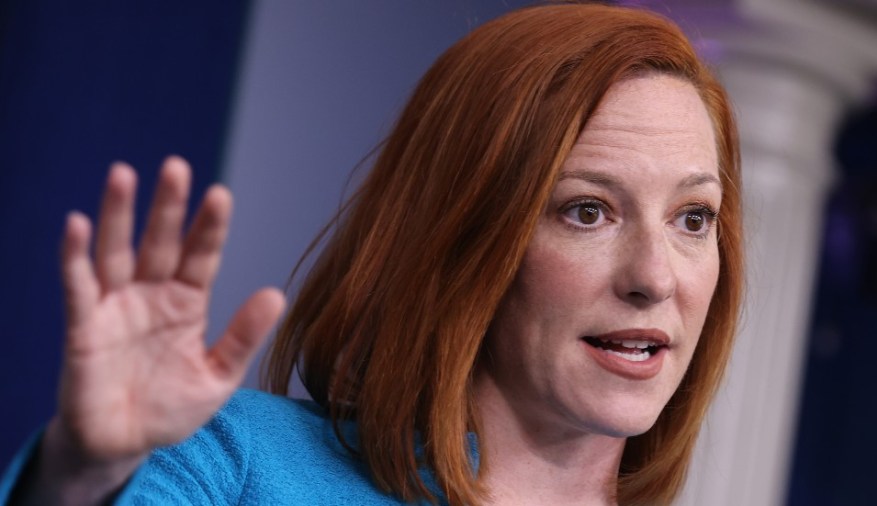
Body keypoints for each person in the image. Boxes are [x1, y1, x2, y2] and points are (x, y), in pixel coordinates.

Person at [1, 3, 742, 505]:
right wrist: (81, 479)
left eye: (693, 217)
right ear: (460, 237)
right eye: (588, 211)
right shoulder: (232, 466)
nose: (654, 276)